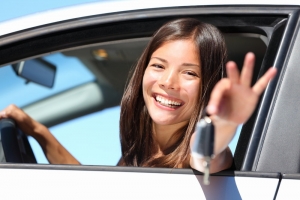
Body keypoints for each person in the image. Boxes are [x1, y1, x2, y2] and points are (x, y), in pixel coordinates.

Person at [0, 18, 276, 173]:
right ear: (142, 72)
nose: (169, 82)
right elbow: (92, 188)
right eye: (158, 66)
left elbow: (207, 154)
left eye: (190, 73)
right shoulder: (139, 152)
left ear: (208, 88)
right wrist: (34, 128)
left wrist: (227, 123)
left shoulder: (192, 155)